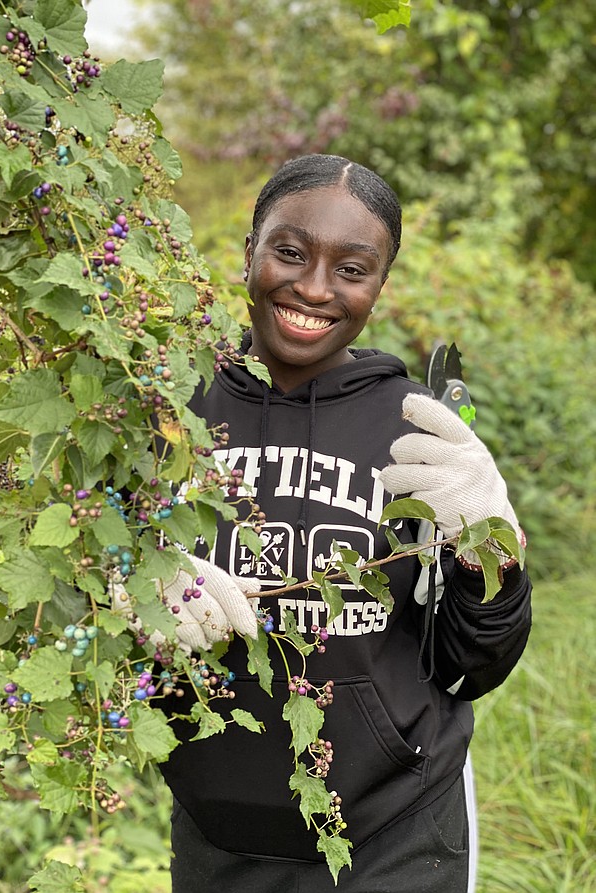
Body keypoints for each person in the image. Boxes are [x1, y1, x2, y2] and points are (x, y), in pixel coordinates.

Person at [147, 154, 533, 892]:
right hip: (217, 830)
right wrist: (140, 585)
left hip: (396, 829)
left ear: (379, 285)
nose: (314, 288)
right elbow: (92, 599)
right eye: (289, 252)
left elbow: (472, 664)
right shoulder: (170, 407)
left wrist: (493, 545)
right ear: (250, 250)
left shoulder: (419, 434)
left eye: (352, 268)